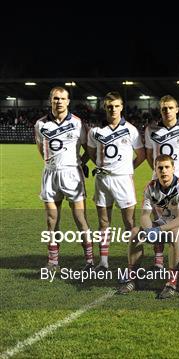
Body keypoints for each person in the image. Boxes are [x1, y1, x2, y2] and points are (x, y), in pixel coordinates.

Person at [116, 155, 179, 299]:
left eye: (167, 167)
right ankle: (132, 278)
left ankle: (171, 283)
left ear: (173, 169)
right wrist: (149, 230)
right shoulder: (150, 187)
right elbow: (145, 215)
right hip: (160, 224)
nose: (164, 171)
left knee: (174, 234)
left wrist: (159, 230)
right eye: (160, 168)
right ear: (155, 170)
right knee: (134, 233)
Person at [34, 86, 93, 272]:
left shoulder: (77, 123)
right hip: (50, 175)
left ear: (68, 101)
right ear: (50, 101)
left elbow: (88, 149)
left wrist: (79, 163)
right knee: (52, 220)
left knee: (80, 218)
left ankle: (90, 261)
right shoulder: (40, 124)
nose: (59, 101)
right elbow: (41, 149)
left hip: (72, 176)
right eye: (55, 98)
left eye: (62, 98)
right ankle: (53, 262)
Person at [87, 91, 146, 271]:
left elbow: (141, 155)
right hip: (102, 180)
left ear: (122, 107)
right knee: (103, 222)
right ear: (105, 107)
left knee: (129, 222)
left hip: (123, 180)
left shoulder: (131, 129)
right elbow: (91, 153)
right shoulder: (96, 131)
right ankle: (104, 262)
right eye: (110, 106)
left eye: (117, 106)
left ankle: (133, 263)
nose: (113, 109)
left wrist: (126, 169)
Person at [144, 95, 179, 270]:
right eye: (164, 108)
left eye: (170, 108)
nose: (167, 111)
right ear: (160, 110)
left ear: (177, 109)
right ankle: (158, 258)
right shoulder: (151, 130)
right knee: (157, 218)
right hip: (158, 180)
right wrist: (160, 172)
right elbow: (150, 156)